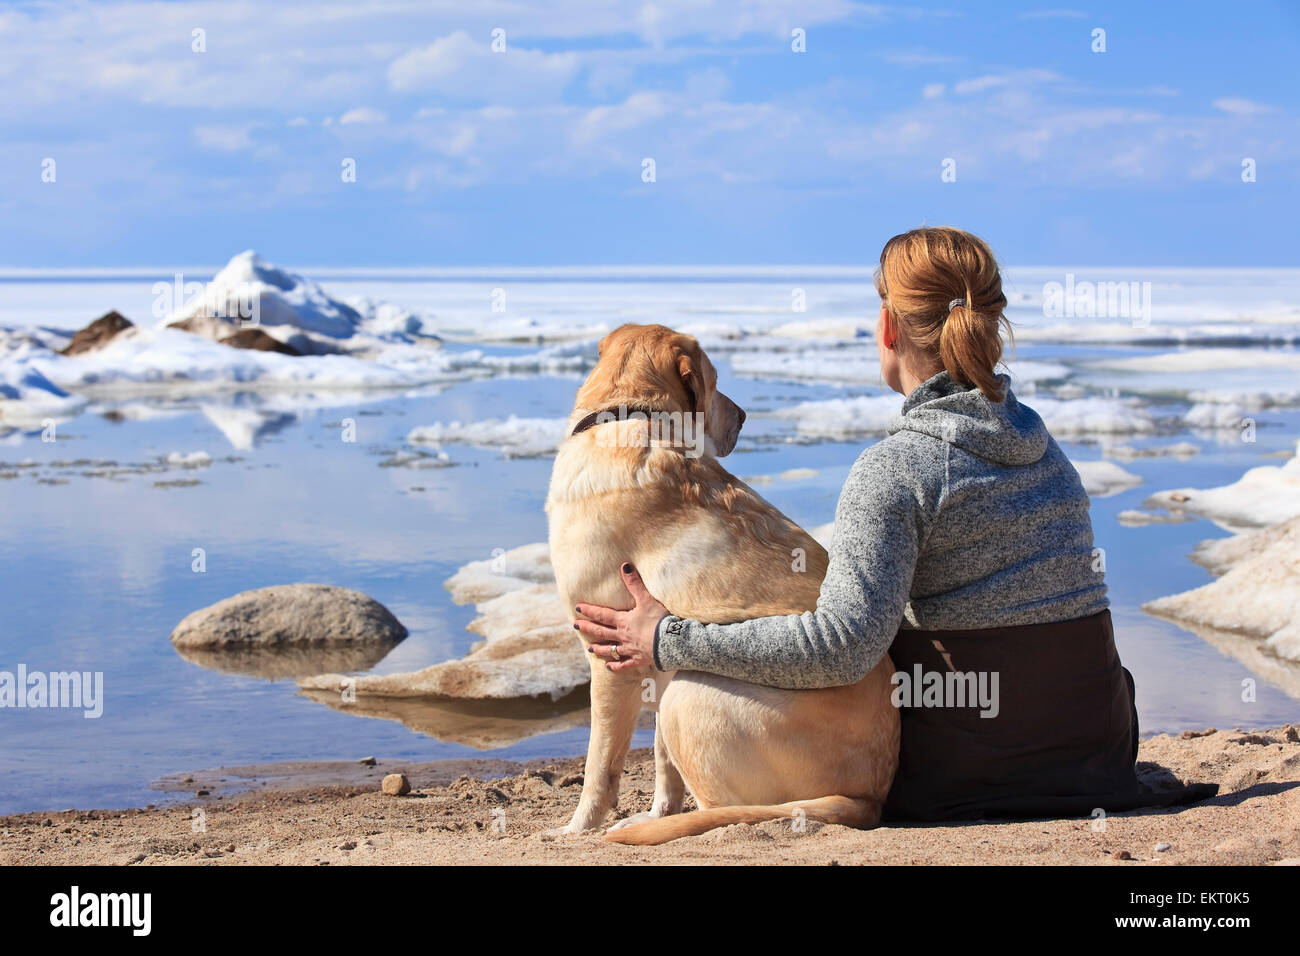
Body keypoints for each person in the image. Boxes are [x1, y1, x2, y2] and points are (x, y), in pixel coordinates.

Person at [573, 226, 1214, 819]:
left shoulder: (898, 469)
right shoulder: (1048, 452)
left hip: (963, 778)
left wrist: (669, 639)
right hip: (1097, 759)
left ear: (887, 327)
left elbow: (840, 648)